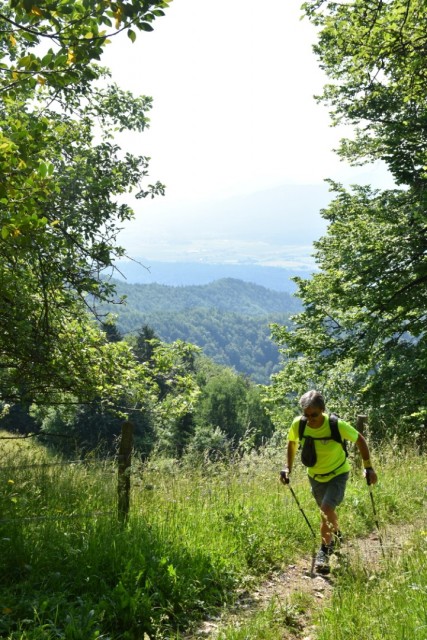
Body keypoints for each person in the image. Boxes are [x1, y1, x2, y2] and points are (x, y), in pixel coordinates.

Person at [280, 390, 377, 574]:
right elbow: (292, 443)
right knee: (327, 512)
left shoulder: (336, 425)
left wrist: (368, 467)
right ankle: (336, 535)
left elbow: (360, 440)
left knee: (325, 510)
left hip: (337, 474)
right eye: (306, 415)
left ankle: (324, 552)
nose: (310, 419)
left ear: (323, 410)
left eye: (314, 415)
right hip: (315, 476)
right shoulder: (298, 424)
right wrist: (287, 467)